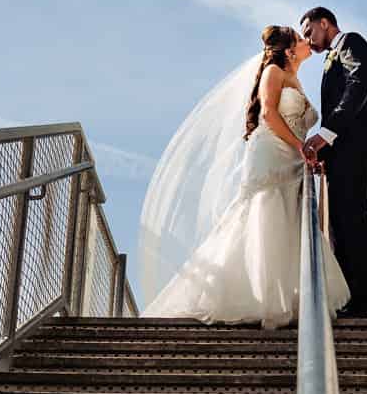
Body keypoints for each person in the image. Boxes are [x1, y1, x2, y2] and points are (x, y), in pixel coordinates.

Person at [142, 26, 353, 327]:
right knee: (263, 215)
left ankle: (282, 296)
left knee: (288, 222)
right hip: (272, 151)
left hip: (294, 157)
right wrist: (299, 147)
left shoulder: (297, 80)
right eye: (301, 38)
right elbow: (268, 113)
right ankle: (251, 295)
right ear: (291, 49)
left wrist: (306, 152)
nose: (308, 42)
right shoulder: (273, 72)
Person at [298, 7, 367, 319]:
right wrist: (325, 153)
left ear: (325, 23)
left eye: (309, 31)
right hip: (340, 154)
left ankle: (365, 303)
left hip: (356, 150)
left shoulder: (350, 43)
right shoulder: (328, 58)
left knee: (352, 221)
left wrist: (325, 134)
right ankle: (353, 299)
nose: (307, 39)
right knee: (339, 224)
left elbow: (357, 86)